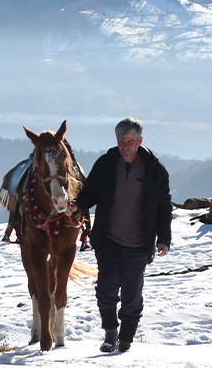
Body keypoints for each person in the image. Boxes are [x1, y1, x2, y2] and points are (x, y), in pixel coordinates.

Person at [67, 117, 172, 353]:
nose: (125, 146)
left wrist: (164, 237)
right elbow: (90, 191)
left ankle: (125, 340)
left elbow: (164, 205)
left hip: (138, 244)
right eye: (121, 141)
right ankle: (110, 334)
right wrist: (76, 206)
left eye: (130, 141)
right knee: (106, 289)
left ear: (139, 141)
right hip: (108, 241)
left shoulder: (155, 170)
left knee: (132, 294)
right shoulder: (106, 164)